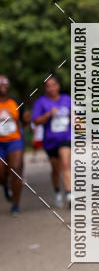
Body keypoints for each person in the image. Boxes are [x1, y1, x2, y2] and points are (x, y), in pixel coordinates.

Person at [31, 76, 72, 208]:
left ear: (58, 86)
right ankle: (57, 192)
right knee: (55, 169)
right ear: (45, 89)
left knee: (65, 163)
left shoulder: (66, 99)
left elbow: (76, 115)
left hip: (66, 138)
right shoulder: (41, 102)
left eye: (53, 85)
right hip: (50, 141)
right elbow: (36, 121)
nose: (51, 88)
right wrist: (49, 114)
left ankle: (69, 194)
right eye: (48, 86)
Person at [0, 75, 25, 216]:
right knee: (1, 174)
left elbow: (24, 121)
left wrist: (26, 119)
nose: (2, 84)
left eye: (5, 82)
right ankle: (6, 185)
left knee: (15, 169)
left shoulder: (15, 101)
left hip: (14, 140)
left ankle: (15, 205)